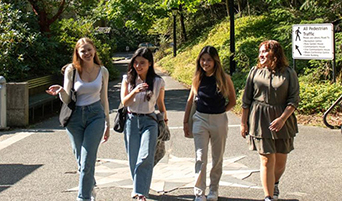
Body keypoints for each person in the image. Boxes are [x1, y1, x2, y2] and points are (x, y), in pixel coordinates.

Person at [46, 37, 110, 201]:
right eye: (83, 51)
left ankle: (83, 197)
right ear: (78, 53)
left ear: (94, 50)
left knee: (88, 159)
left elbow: (104, 99)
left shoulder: (102, 71)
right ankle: (90, 185)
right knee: (81, 160)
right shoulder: (71, 70)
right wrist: (61, 90)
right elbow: (67, 100)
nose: (87, 53)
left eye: (89, 49)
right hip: (75, 118)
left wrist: (107, 123)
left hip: (95, 115)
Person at [240, 40, 300, 201]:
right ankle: (268, 197)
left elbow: (294, 100)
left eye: (265, 52)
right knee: (267, 159)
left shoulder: (288, 73)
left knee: (280, 162)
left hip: (283, 120)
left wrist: (282, 119)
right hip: (260, 119)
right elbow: (246, 100)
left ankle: (274, 183)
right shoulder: (255, 72)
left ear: (275, 54)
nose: (261, 55)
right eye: (260, 52)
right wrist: (243, 123)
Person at [183, 46, 236, 201]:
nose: (205, 63)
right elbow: (190, 101)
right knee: (200, 157)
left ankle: (214, 190)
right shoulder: (197, 78)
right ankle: (199, 192)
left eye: (209, 60)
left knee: (217, 157)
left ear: (215, 61)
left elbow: (232, 101)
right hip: (200, 119)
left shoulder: (224, 79)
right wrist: (186, 121)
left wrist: (220, 112)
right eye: (203, 59)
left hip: (219, 120)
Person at [120, 47, 167, 201]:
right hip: (131, 120)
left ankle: (140, 192)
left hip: (150, 121)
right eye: (136, 63)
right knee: (133, 158)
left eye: (142, 63)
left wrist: (164, 121)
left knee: (145, 156)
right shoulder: (127, 79)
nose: (138, 66)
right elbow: (124, 102)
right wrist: (135, 90)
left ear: (150, 64)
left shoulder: (158, 82)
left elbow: (160, 104)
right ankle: (138, 188)